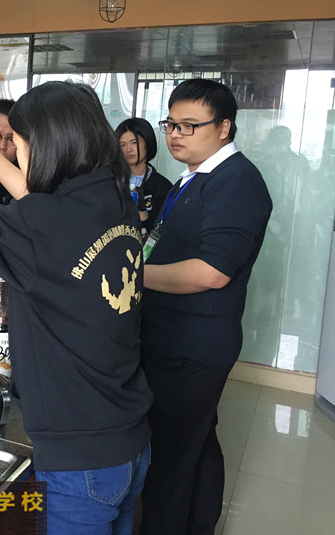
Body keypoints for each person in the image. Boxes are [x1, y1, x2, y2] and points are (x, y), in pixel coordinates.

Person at [0, 82, 152, 534]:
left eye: (18, 144)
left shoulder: (36, 225)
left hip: (80, 463)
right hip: (129, 438)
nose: (17, 155)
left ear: (46, 147)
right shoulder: (112, 196)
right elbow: (38, 202)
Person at [139, 79, 272, 535]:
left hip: (191, 345)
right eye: (171, 124)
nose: (175, 134)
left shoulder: (237, 182)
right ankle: (200, 523)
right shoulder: (193, 176)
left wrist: (133, 275)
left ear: (224, 127)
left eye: (189, 125)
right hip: (172, 334)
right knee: (196, 442)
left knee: (169, 458)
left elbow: (212, 272)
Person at [115, 117, 172, 232]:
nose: (128, 149)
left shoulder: (162, 187)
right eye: (122, 145)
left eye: (134, 143)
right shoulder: (111, 181)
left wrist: (146, 219)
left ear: (148, 142)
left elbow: (167, 227)